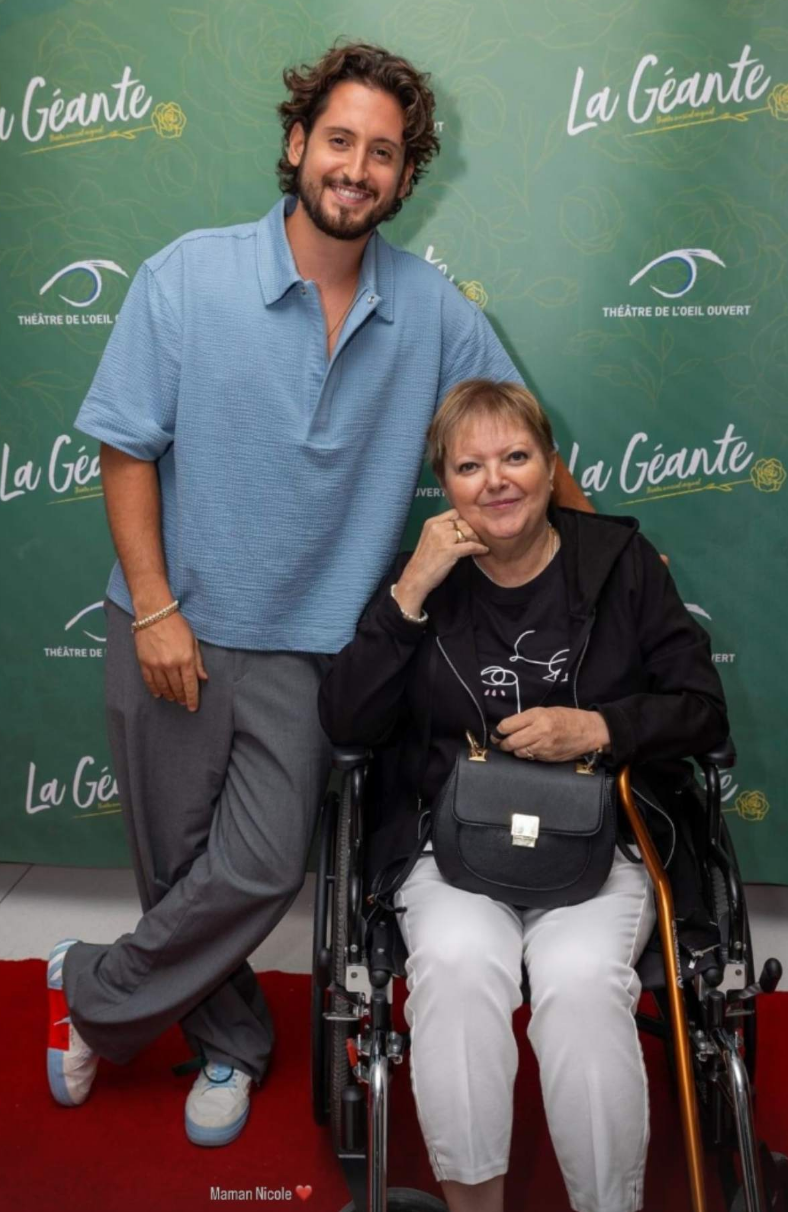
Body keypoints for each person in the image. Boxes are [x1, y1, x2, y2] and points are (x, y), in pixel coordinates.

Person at [46, 44, 590, 1146]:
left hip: (314, 653)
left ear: (403, 178)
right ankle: (232, 1047)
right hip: (172, 628)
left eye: (381, 153)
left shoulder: (431, 310)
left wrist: (610, 567)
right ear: (297, 145)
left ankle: (94, 990)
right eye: (338, 140)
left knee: (252, 868)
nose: (355, 167)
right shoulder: (186, 276)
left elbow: (515, 441)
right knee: (173, 871)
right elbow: (124, 449)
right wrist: (154, 608)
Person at [318, 378, 728, 1212]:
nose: (496, 480)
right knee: (458, 965)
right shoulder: (419, 577)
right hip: (453, 847)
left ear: (550, 467)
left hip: (601, 841)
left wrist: (598, 728)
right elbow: (346, 721)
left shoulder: (621, 566)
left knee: (580, 978)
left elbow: (700, 709)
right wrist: (410, 594)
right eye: (470, 466)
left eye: (516, 456)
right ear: (446, 484)